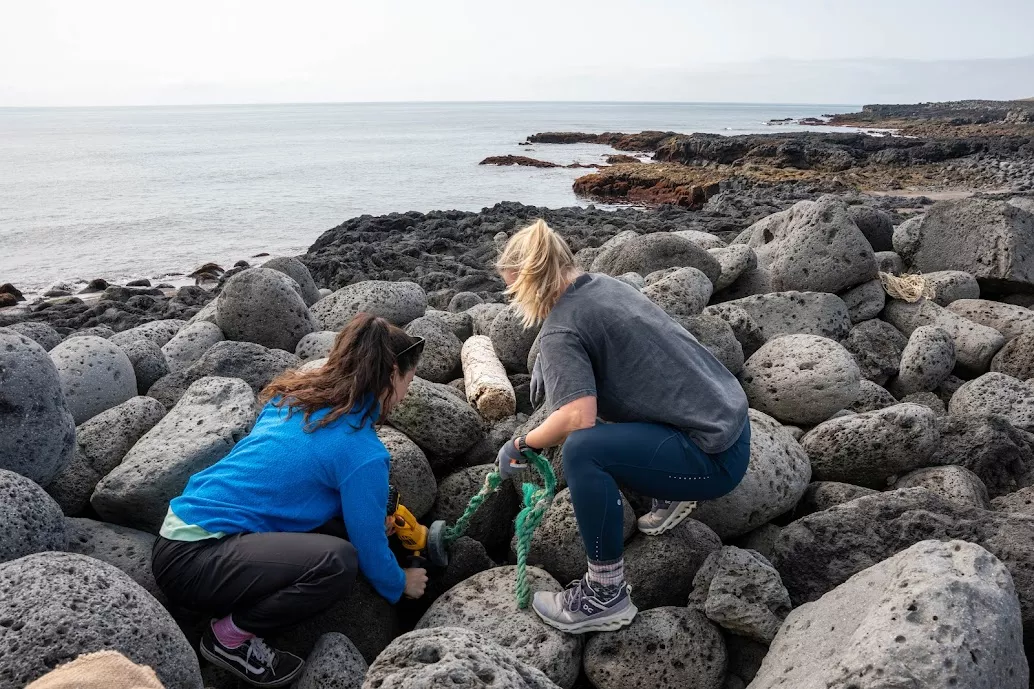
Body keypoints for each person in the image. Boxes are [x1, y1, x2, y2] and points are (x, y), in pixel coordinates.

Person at [495, 219, 751, 634]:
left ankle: (605, 594)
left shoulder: (562, 330)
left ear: (530, 282)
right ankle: (667, 491)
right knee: (614, 402)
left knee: (583, 449)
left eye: (513, 290)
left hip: (712, 461)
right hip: (731, 427)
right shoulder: (606, 286)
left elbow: (578, 416)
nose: (515, 302)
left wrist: (523, 443)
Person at [152, 313, 429, 688]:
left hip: (177, 534)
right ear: (392, 373)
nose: (406, 393)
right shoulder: (362, 452)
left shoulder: (295, 400)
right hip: (196, 561)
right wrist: (400, 583)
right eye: (408, 381)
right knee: (338, 562)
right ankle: (229, 638)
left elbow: (288, 478)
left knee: (342, 530)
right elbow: (367, 548)